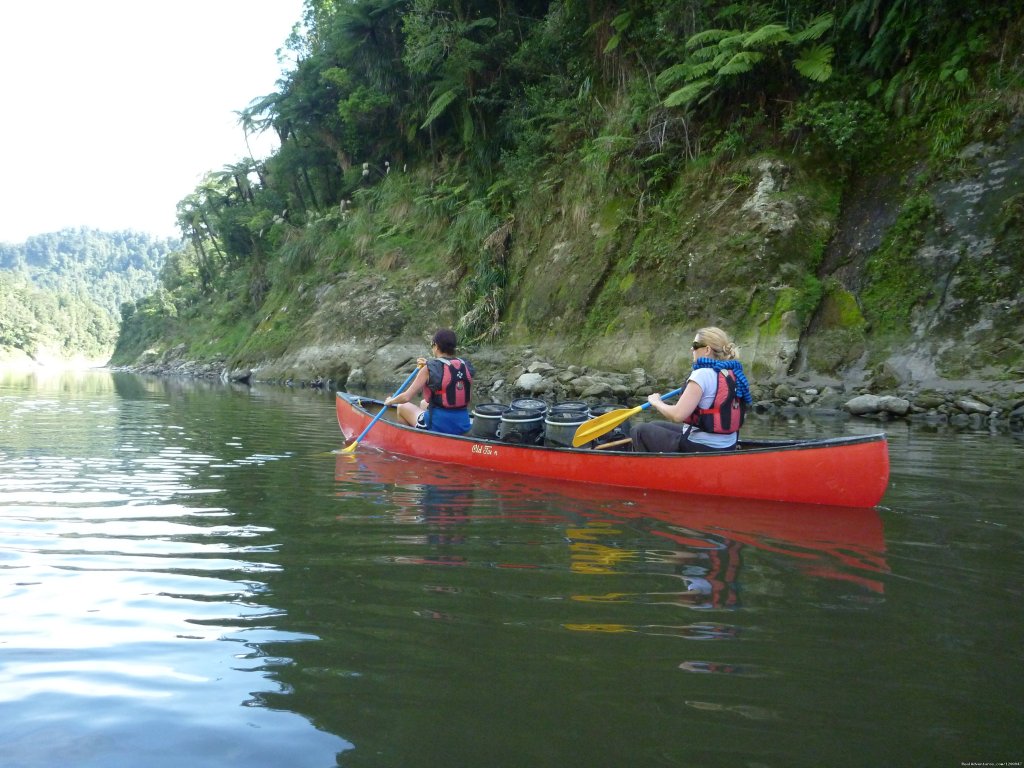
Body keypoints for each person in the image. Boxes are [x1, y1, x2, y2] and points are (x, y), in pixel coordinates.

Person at [631, 326, 752, 453]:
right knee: (654, 425)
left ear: (707, 350)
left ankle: (654, 470)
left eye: (695, 345)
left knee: (639, 431)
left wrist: (656, 402)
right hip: (728, 445)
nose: (691, 349)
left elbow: (677, 415)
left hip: (701, 446)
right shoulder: (733, 373)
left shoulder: (701, 375)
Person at [384, 328, 474, 435]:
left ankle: (412, 442)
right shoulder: (465, 365)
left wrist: (391, 401)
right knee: (423, 403)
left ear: (436, 346)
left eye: (432, 344)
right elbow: (449, 371)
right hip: (463, 423)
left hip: (439, 425)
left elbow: (406, 397)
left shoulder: (428, 369)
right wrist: (428, 364)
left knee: (401, 407)